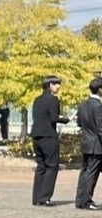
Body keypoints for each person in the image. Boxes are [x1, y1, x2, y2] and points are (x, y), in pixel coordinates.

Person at [31, 75, 71, 206]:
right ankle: (45, 197)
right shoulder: (53, 99)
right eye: (56, 84)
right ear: (50, 85)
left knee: (41, 166)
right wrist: (66, 119)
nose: (58, 86)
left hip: (36, 136)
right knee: (52, 166)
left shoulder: (37, 100)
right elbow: (54, 118)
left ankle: (37, 198)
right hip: (48, 136)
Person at [75, 77, 102, 210]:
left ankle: (80, 200)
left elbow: (79, 123)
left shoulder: (83, 104)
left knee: (85, 172)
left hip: (86, 142)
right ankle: (86, 201)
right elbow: (100, 127)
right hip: (96, 144)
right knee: (91, 173)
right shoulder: (98, 106)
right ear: (100, 90)